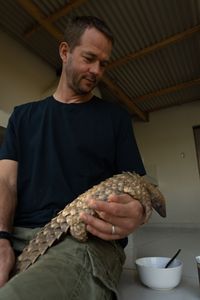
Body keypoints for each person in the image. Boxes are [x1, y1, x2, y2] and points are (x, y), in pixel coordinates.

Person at [0, 16, 148, 300]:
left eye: (103, 64)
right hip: (17, 233)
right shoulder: (23, 116)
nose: (96, 71)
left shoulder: (115, 118)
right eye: (89, 58)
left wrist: (138, 212)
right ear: (65, 51)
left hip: (84, 239)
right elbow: (5, 181)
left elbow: (137, 186)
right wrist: (2, 238)